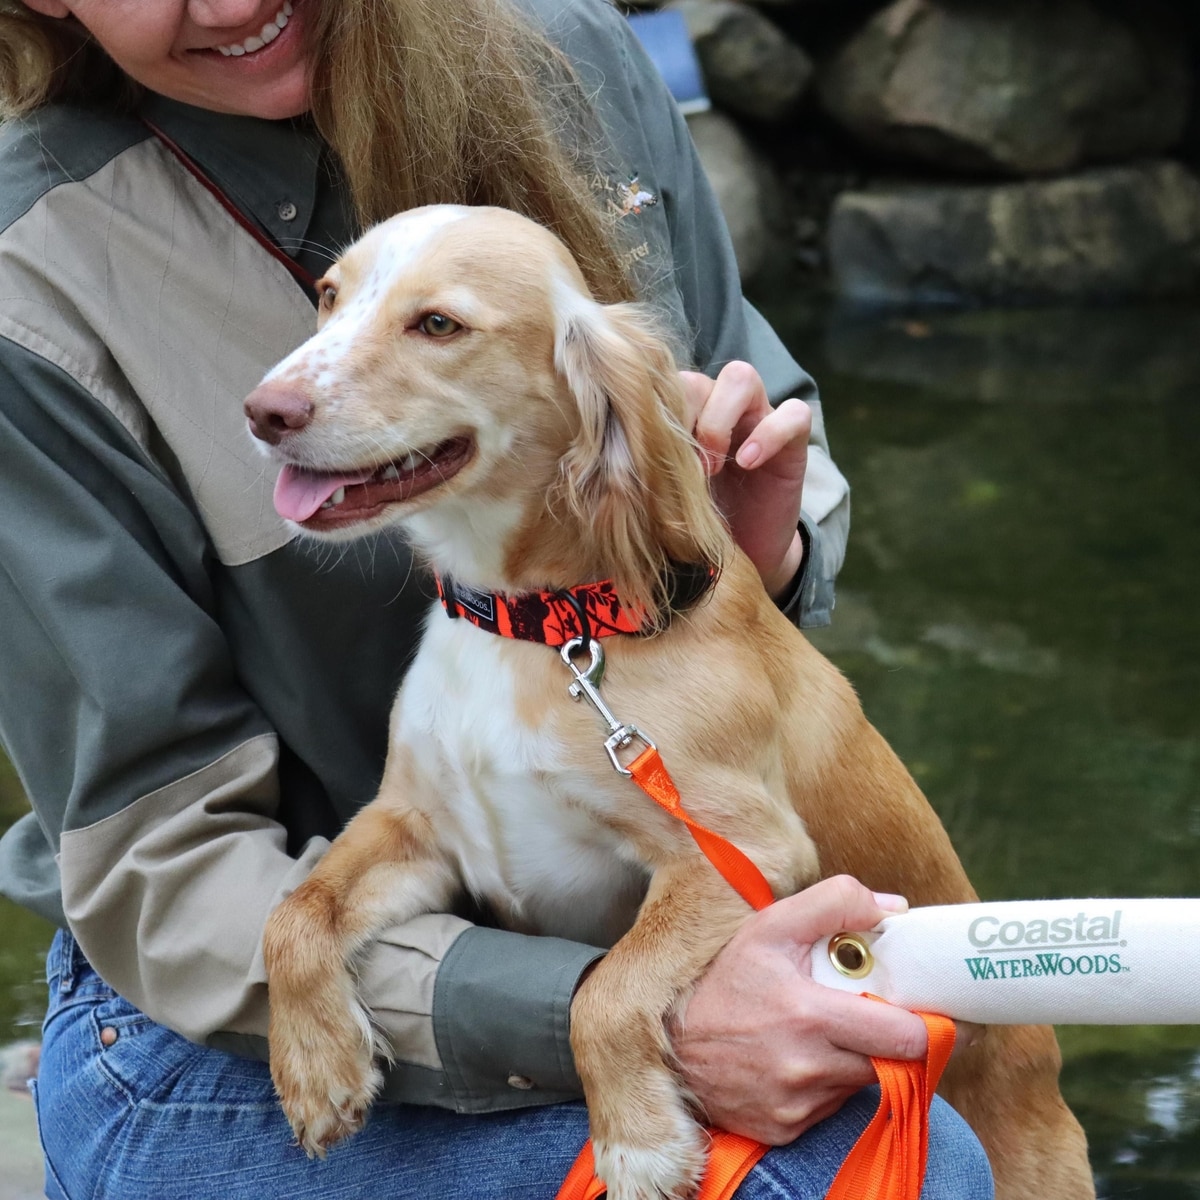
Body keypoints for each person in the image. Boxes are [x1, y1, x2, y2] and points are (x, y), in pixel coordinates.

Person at [0, 1, 994, 1197]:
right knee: (879, 1172)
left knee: (953, 1135)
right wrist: (594, 1015)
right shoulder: (28, 277)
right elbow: (158, 867)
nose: (229, 3)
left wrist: (749, 552)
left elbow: (777, 419)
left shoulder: (575, 46)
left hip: (647, 897)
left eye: (435, 326)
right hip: (224, 1011)